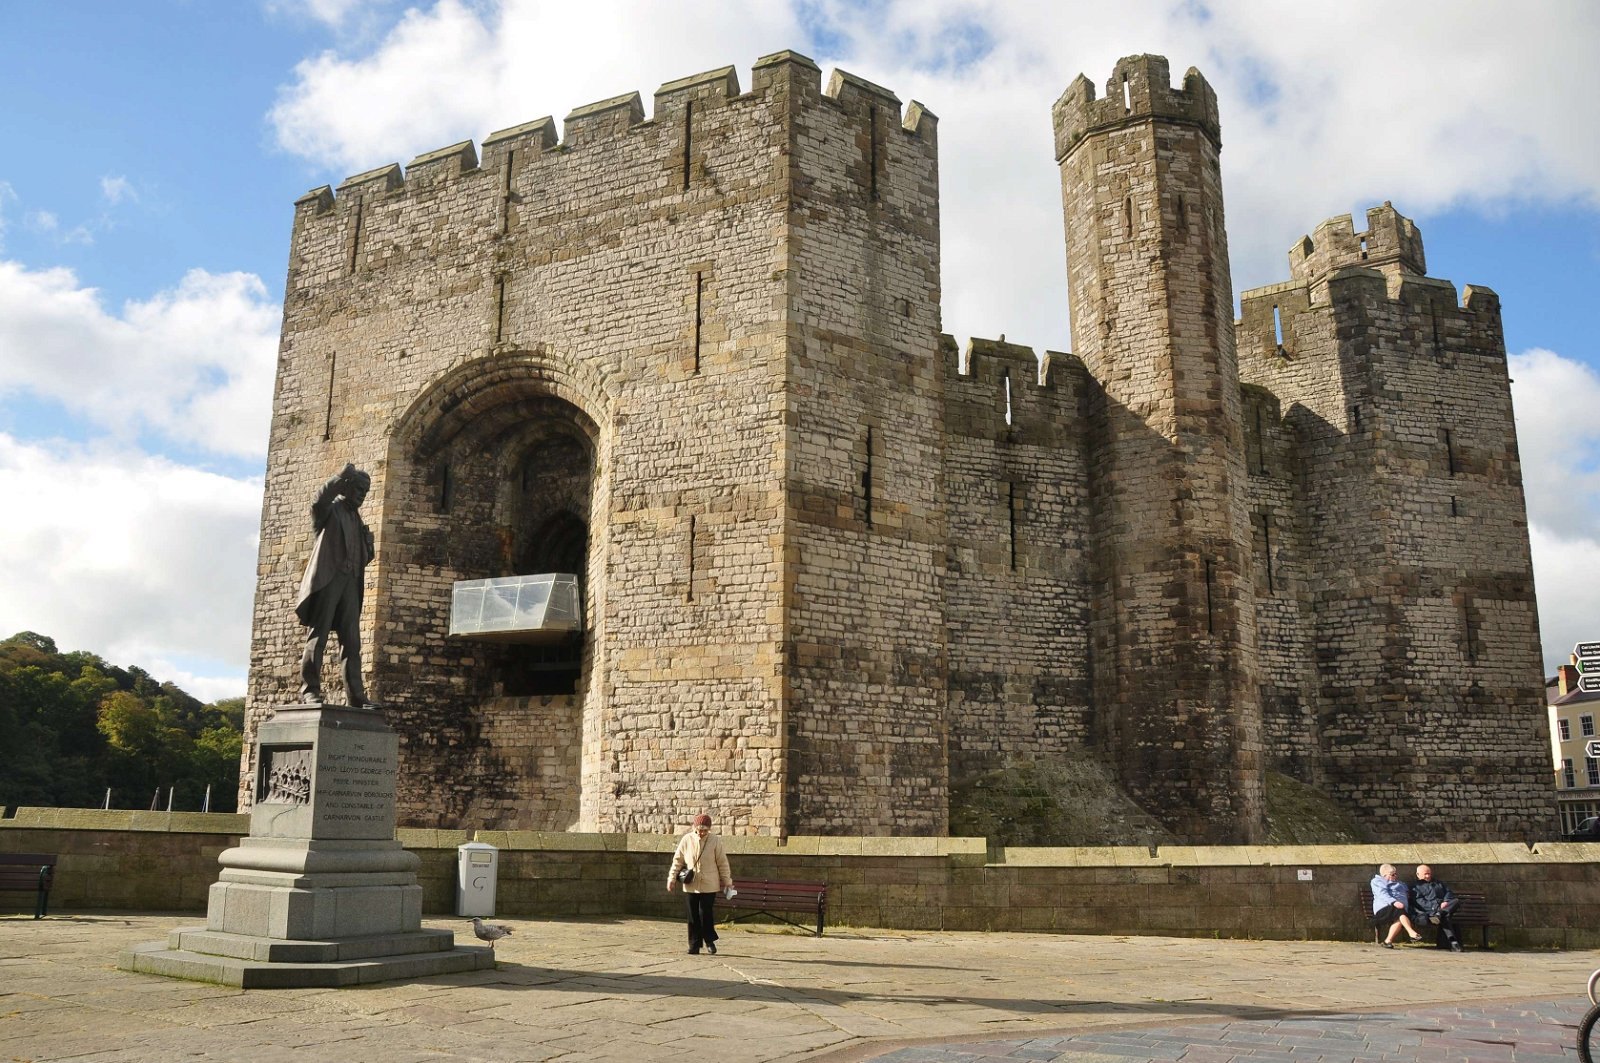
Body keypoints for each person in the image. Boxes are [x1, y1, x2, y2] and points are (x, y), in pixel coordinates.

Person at [296, 463, 377, 707]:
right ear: (347, 488)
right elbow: (318, 502)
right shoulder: (330, 511)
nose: (362, 495)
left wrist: (369, 546)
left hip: (351, 583)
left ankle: (356, 697)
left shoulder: (357, 519)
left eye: (366, 491)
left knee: (352, 643)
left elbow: (361, 556)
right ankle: (310, 690)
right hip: (329, 579)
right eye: (359, 489)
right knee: (317, 637)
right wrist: (340, 476)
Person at [667, 813, 733, 955]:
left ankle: (709, 940)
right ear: (694, 828)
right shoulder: (686, 839)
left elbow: (722, 863)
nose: (701, 832)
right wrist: (671, 879)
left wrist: (727, 882)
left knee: (705, 913)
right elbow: (677, 860)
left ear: (709, 829)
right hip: (691, 884)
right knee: (692, 915)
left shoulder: (715, 841)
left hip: (710, 884)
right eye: (699, 829)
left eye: (704, 830)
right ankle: (694, 944)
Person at [1410, 864, 1463, 952]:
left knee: (1456, 901)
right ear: (1418, 874)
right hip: (1430, 913)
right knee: (1445, 918)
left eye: (1429, 873)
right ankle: (1454, 943)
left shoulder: (1438, 883)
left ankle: (1441, 914)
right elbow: (1420, 902)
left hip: (1442, 910)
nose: (1428, 876)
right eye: (1425, 874)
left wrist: (1445, 901)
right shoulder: (1415, 887)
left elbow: (1448, 892)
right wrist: (1436, 907)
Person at [1370, 863, 1423, 948]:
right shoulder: (1377, 881)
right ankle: (1411, 932)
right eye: (1392, 874)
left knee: (1400, 917)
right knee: (1400, 912)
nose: (1395, 876)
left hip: (1399, 909)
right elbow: (1382, 894)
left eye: (1396, 874)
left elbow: (1407, 894)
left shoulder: (1401, 883)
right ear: (1384, 875)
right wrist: (1394, 902)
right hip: (1383, 909)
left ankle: (1388, 941)